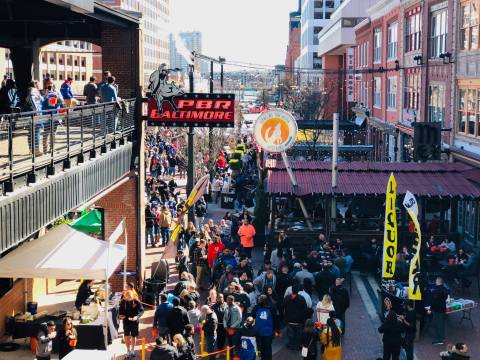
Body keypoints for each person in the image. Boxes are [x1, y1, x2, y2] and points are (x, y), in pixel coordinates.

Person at [119, 290, 144, 357]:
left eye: (130, 297)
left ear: (132, 296)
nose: (129, 299)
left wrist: (137, 316)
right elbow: (120, 311)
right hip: (126, 321)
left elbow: (142, 310)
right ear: (126, 297)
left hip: (134, 321)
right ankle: (128, 350)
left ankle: (133, 349)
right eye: (128, 298)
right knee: (126, 336)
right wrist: (121, 316)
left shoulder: (136, 301)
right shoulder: (123, 302)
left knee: (133, 336)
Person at [252, 294, 277, 360]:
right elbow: (276, 319)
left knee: (264, 347)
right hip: (264, 332)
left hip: (264, 332)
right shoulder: (257, 307)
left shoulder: (257, 307)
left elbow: (275, 319)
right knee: (264, 347)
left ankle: (265, 358)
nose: (258, 300)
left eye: (260, 299)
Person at [284, 285, 308, 350]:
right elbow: (305, 309)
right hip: (299, 320)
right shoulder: (301, 298)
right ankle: (297, 346)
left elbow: (284, 307)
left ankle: (291, 345)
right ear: (298, 291)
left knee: (290, 334)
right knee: (298, 334)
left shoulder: (287, 298)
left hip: (289, 319)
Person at [430, 276, 449, 345]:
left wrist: (430, 309)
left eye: (436, 281)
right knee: (442, 324)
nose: (435, 282)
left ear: (438, 282)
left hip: (437, 310)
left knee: (437, 324)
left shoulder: (436, 291)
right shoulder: (445, 289)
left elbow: (434, 301)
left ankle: (439, 340)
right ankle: (442, 337)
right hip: (443, 309)